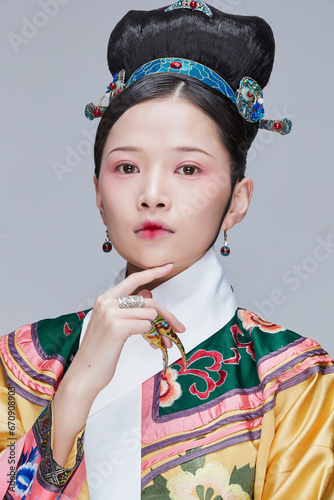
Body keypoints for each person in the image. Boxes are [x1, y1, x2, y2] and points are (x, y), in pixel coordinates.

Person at [0, 3, 333, 499]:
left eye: (188, 170)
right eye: (127, 167)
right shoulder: (25, 360)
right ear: (97, 192)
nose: (152, 194)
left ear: (237, 201)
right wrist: (72, 396)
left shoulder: (291, 377)